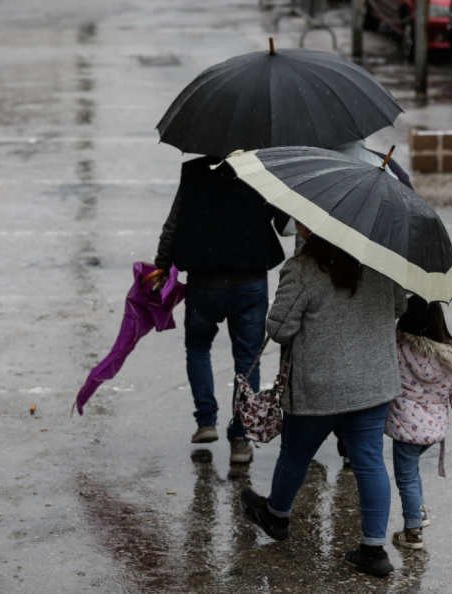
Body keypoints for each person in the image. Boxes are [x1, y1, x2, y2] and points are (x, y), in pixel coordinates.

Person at [240, 222, 407, 577]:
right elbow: (397, 306)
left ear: (311, 224)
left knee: (296, 453)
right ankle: (374, 551)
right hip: (372, 384)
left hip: (318, 386)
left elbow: (279, 328)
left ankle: (276, 515)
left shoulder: (302, 269)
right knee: (370, 461)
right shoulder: (379, 261)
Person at [154, 155, 290, 464]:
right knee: (247, 361)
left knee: (198, 347)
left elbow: (173, 226)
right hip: (250, 282)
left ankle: (206, 421)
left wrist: (162, 266)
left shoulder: (194, 173)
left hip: (205, 281)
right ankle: (241, 439)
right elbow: (284, 224)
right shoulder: (259, 170)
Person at [386, 296, 452, 550]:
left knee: (406, 478)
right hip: (434, 430)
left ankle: (413, 532)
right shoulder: (450, 356)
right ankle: (420, 513)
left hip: (405, 429)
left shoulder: (399, 349)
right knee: (412, 474)